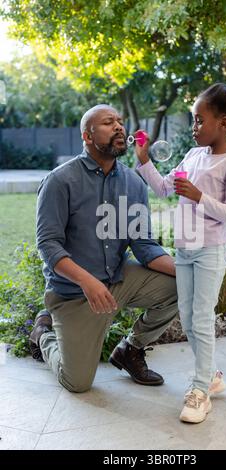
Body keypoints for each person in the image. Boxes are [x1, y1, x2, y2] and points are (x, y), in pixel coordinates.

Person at [29, 104, 178, 393]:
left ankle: (130, 351)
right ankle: (42, 333)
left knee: (183, 284)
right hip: (74, 293)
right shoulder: (60, 180)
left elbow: (144, 246)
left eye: (120, 122)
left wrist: (189, 269)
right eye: (109, 122)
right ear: (88, 136)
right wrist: (87, 281)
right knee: (78, 383)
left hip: (118, 281)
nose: (119, 127)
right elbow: (48, 245)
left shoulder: (134, 183)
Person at [135, 83, 226, 423]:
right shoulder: (192, 156)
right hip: (184, 250)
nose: (194, 127)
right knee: (188, 319)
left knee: (200, 319)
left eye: (200, 120)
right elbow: (161, 188)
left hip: (210, 252)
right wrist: (144, 159)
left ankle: (200, 390)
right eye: (193, 120)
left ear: (224, 123)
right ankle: (212, 376)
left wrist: (199, 196)